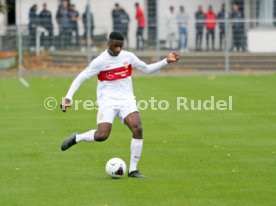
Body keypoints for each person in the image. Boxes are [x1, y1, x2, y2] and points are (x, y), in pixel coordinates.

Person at [60, 31, 180, 178]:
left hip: (126, 101)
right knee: (102, 135)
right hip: (107, 103)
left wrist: (166, 60)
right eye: (115, 46)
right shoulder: (99, 61)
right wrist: (68, 97)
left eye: (120, 46)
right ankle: (77, 138)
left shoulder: (128, 57)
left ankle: (133, 170)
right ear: (108, 43)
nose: (118, 49)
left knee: (138, 128)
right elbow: (81, 77)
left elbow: (147, 69)